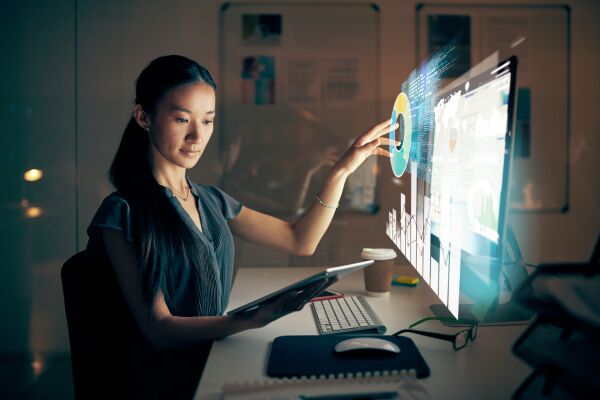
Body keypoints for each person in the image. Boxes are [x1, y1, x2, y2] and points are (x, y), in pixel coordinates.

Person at [85, 55, 398, 398]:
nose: (196, 136)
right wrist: (251, 319)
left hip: (218, 354)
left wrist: (342, 170)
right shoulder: (123, 212)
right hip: (174, 381)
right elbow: (157, 329)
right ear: (144, 117)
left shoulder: (212, 200)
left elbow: (300, 240)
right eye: (181, 119)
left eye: (208, 121)